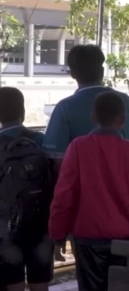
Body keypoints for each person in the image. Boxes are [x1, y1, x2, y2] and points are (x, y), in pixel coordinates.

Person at [49, 92, 129, 291]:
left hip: (87, 238)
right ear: (122, 119)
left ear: (93, 117)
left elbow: (64, 196)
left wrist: (58, 234)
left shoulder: (78, 147)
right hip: (123, 239)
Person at [42, 44, 129, 191]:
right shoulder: (125, 102)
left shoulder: (64, 108)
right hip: (125, 194)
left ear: (72, 73)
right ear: (102, 71)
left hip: (85, 197)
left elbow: (58, 163)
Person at [0, 87, 54, 291]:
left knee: (12, 283)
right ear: (22, 111)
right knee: (40, 283)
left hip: (6, 226)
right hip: (41, 222)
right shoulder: (40, 140)